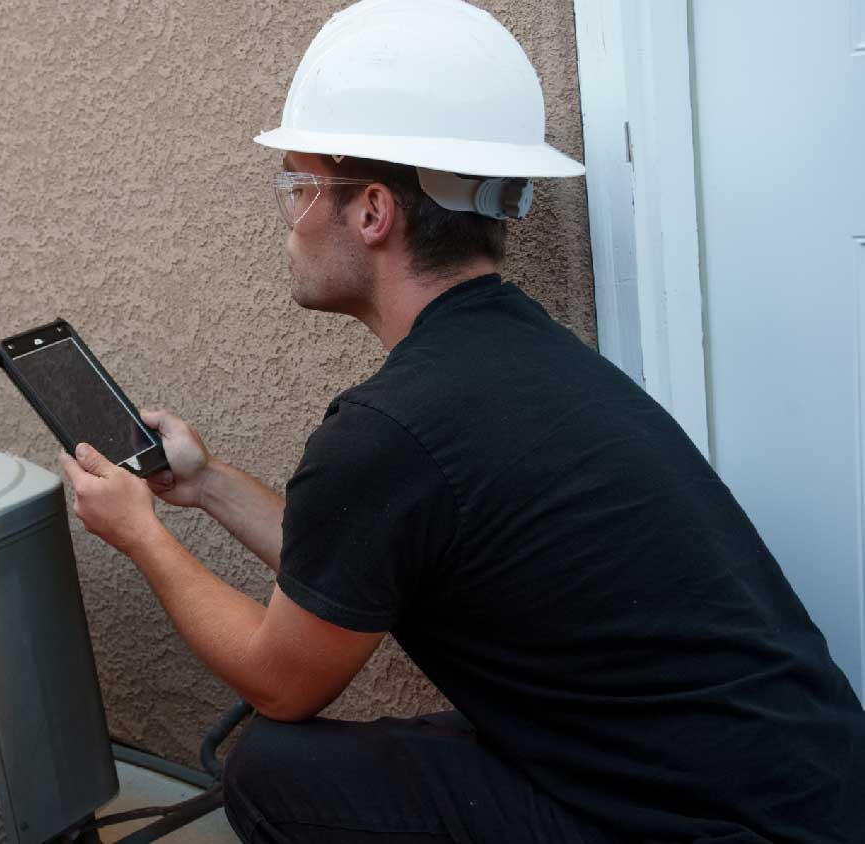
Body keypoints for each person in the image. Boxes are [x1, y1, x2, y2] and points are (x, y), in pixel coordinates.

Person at [55, 0, 865, 842]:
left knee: (271, 770)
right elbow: (355, 553)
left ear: (373, 212)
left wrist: (141, 533)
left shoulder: (390, 430)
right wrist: (207, 483)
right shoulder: (519, 352)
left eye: (297, 189)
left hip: (709, 827)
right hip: (808, 788)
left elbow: (280, 680)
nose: (287, 224)